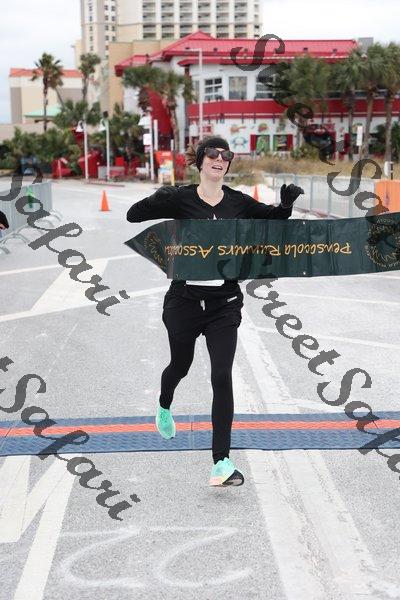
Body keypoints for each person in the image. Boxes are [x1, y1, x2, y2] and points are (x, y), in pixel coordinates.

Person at [126, 136, 303, 487]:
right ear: (200, 160)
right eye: (213, 153)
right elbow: (134, 216)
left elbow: (273, 221)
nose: (220, 158)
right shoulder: (181, 198)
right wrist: (155, 200)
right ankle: (164, 404)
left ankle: (221, 462)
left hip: (224, 304)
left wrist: (285, 205)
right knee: (180, 366)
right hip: (184, 302)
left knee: (221, 376)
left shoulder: (237, 201)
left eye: (226, 155)